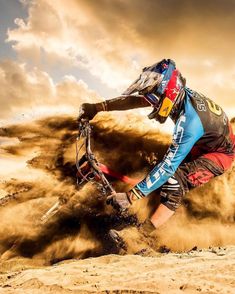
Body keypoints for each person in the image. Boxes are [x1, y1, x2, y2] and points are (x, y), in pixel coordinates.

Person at [78, 59, 235, 235]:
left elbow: (168, 167)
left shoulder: (188, 122)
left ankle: (142, 236)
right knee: (154, 165)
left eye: (153, 98)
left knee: (175, 180)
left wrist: (130, 197)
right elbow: (135, 101)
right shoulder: (175, 96)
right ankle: (152, 197)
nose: (150, 101)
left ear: (168, 93)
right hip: (204, 140)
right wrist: (97, 107)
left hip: (220, 154)